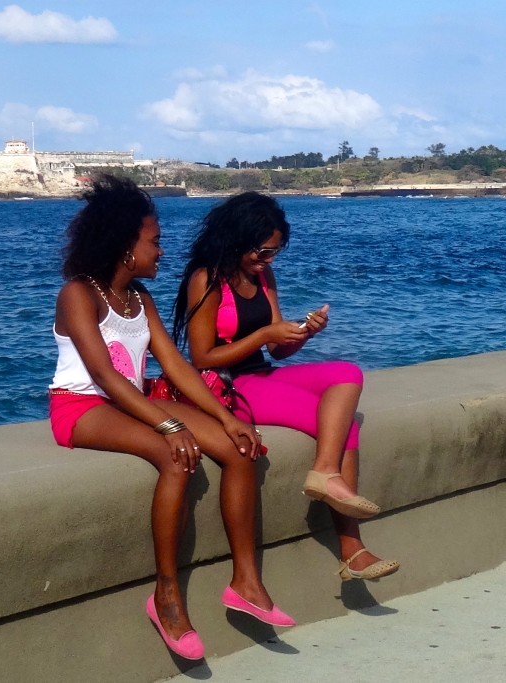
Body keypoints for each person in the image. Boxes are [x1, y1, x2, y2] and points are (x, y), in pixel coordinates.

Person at [49, 175, 293, 661]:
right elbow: (103, 373)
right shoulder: (79, 294)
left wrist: (225, 419)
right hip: (82, 406)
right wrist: (169, 425)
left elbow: (178, 366)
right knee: (175, 456)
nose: (162, 252)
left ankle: (245, 582)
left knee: (242, 448)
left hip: (131, 399)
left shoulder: (141, 299)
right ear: (123, 245)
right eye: (154, 242)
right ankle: (166, 595)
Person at [172, 191, 399, 584]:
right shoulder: (206, 279)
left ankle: (325, 472)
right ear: (237, 238)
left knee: (348, 372)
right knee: (346, 424)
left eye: (274, 252)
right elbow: (202, 358)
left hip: (261, 372)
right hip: (230, 386)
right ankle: (352, 549)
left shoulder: (263, 276)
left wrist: (304, 333)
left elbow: (277, 349)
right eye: (262, 251)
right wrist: (263, 332)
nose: (268, 259)